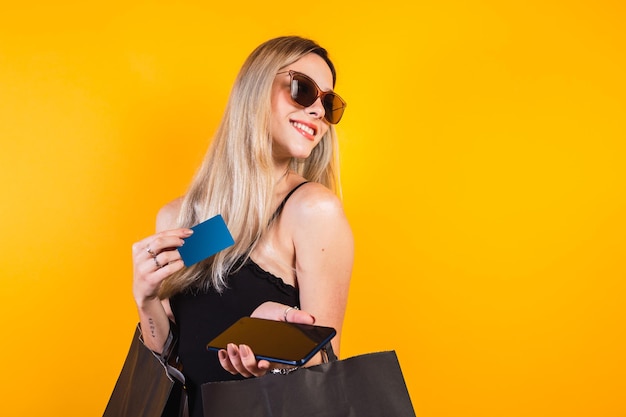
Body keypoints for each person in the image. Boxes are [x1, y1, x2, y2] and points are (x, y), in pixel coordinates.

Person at [131, 36, 354, 417]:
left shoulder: (311, 211)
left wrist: (279, 342)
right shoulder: (182, 219)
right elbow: (170, 360)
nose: (317, 110)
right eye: (303, 90)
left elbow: (326, 371)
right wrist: (146, 298)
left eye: (328, 103)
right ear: (255, 88)